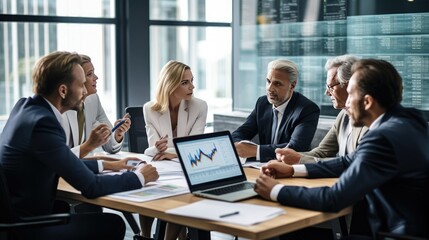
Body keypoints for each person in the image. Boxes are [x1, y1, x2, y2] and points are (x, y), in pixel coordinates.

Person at [255, 59, 429, 239]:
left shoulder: (382, 138)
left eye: (351, 94)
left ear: (367, 102)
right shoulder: (412, 120)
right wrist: (293, 170)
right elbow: (349, 161)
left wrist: (275, 190)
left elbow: (334, 198)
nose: (347, 103)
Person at [0, 51, 159, 239]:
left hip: (23, 215)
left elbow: (60, 161)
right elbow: (91, 187)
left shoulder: (25, 107)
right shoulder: (43, 123)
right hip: (30, 228)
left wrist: (108, 164)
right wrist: (139, 177)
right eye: (82, 84)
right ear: (63, 90)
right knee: (112, 224)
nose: (85, 91)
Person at [142, 60, 207, 239]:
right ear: (169, 85)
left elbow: (193, 148)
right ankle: (145, 235)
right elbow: (154, 150)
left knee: (182, 194)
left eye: (192, 80)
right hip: (163, 168)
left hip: (187, 168)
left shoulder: (199, 106)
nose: (192, 86)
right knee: (145, 182)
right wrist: (158, 149)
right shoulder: (150, 109)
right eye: (185, 82)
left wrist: (167, 151)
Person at [276, 55, 368, 165]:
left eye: (331, 87)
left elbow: (353, 163)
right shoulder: (343, 116)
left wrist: (300, 160)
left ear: (349, 84)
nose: (327, 93)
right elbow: (322, 152)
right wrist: (290, 156)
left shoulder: (369, 121)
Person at [232, 59, 320, 163]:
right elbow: (240, 133)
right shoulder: (262, 103)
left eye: (277, 84)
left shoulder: (307, 109)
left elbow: (296, 147)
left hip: (291, 169)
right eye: (268, 81)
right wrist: (238, 146)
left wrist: (256, 151)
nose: (270, 88)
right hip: (264, 166)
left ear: (292, 85)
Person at [62, 54, 130, 159]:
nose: (96, 78)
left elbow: (111, 147)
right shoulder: (62, 107)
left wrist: (117, 134)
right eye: (90, 74)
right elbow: (60, 156)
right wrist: (91, 147)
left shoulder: (93, 100)